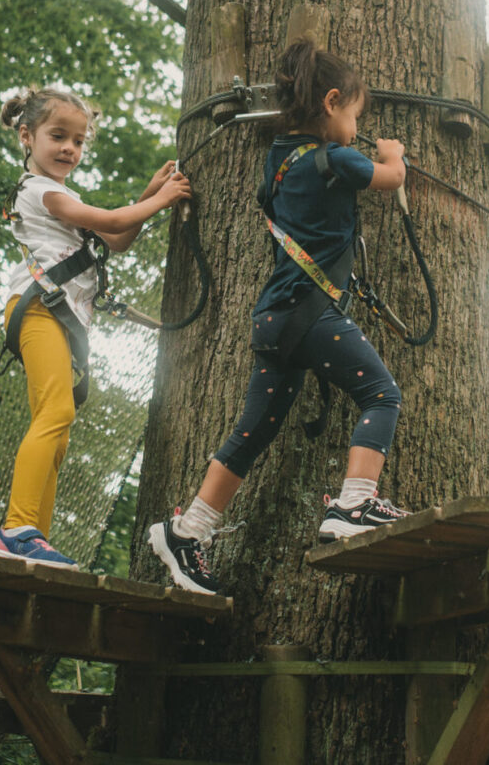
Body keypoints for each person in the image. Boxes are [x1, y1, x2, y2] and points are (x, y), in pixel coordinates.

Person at [148, 35, 411, 594]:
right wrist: (392, 155)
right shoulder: (337, 157)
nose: (354, 127)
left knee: (253, 432)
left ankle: (189, 529)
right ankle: (354, 506)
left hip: (275, 318)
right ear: (333, 101)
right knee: (382, 395)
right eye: (354, 115)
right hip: (309, 315)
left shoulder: (277, 160)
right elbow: (389, 179)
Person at [0, 86, 191, 568]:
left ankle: (33, 538)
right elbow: (110, 219)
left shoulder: (58, 191)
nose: (68, 150)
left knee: (55, 430)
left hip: (58, 317)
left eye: (78, 142)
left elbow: (116, 238)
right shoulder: (40, 191)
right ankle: (16, 530)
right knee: (56, 413)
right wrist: (160, 199)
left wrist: (147, 194)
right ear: (26, 136)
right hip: (38, 310)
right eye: (58, 136)